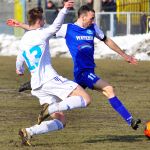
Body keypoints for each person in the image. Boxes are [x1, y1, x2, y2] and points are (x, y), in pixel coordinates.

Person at [8, 5, 141, 131]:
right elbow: (41, 31)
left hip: (88, 71)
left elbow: (107, 40)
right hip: (83, 72)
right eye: (91, 18)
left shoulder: (93, 28)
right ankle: (130, 120)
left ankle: (39, 106)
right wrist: (21, 25)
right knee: (108, 89)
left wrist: (125, 55)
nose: (93, 20)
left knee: (69, 98)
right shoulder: (68, 28)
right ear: (83, 17)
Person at [6, 1, 92, 146]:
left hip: (37, 86)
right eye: (43, 20)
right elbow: (55, 27)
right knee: (86, 98)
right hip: (49, 79)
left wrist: (19, 69)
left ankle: (29, 131)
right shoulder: (41, 34)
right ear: (39, 21)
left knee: (61, 121)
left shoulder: (24, 39)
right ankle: (50, 108)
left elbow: (19, 59)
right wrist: (64, 9)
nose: (45, 22)